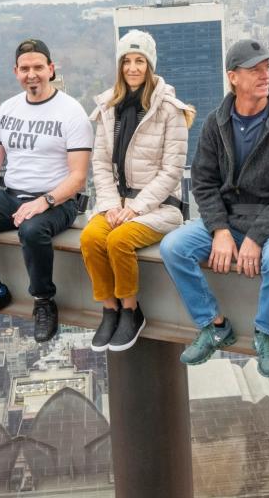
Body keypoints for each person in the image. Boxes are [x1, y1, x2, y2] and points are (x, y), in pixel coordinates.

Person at [159, 39, 269, 378]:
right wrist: (221, 230)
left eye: (267, 68)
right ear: (233, 77)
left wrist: (256, 237)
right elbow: (204, 181)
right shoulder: (216, 122)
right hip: (228, 216)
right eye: (255, 69)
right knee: (173, 247)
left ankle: (266, 334)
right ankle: (213, 324)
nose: (264, 74)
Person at [0, 39, 93, 342]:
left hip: (57, 200)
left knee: (31, 230)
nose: (32, 74)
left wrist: (45, 201)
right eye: (25, 68)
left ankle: (43, 302)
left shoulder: (72, 111)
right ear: (15, 72)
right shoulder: (8, 109)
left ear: (51, 69)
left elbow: (78, 177)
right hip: (11, 195)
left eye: (38, 67)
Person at [82, 30, 192, 352]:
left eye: (139, 61)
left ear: (150, 65)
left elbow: (172, 171)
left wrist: (136, 208)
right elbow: (100, 164)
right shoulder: (108, 108)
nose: (132, 68)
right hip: (117, 202)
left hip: (159, 207)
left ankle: (131, 310)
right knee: (90, 238)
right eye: (127, 61)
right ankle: (109, 308)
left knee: (118, 241)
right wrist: (111, 205)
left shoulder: (169, 109)